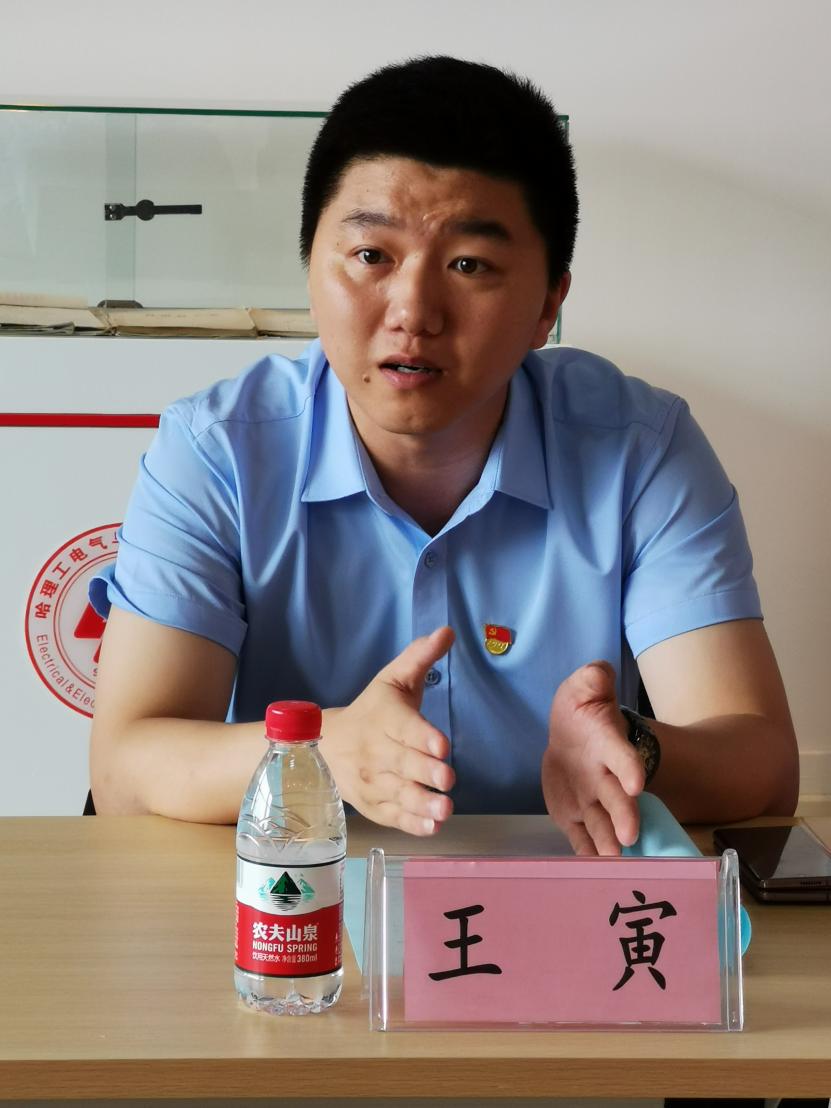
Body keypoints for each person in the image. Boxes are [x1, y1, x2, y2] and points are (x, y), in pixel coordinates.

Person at [89, 55, 798, 853]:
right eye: (371, 256)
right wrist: (324, 752)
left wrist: (631, 749)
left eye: (469, 265)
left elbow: (760, 765)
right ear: (310, 268)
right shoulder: (218, 451)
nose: (413, 311)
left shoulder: (640, 450)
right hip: (304, 904)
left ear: (548, 304)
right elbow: (125, 770)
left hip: (558, 905)